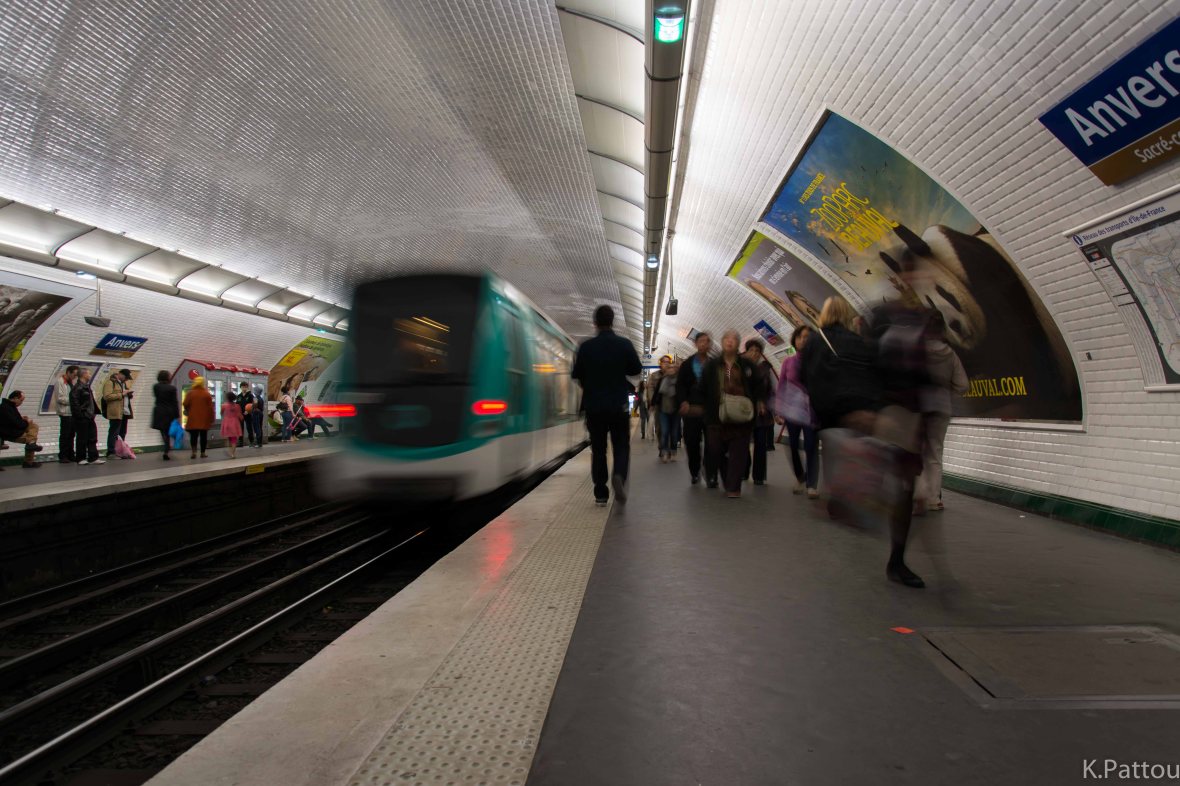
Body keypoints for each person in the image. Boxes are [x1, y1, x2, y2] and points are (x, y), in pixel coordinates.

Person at [571, 304, 642, 506]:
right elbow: (636, 369)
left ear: (595, 322)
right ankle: (618, 474)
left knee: (599, 450)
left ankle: (601, 493)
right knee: (621, 446)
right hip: (618, 405)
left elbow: (576, 374)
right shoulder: (624, 344)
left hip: (594, 407)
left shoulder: (586, 347)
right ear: (612, 321)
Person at [702, 330, 767, 498]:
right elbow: (703, 387)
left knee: (739, 450)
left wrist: (760, 401)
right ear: (722, 342)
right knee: (715, 449)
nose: (730, 341)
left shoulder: (747, 365)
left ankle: (733, 486)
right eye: (726, 338)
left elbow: (759, 385)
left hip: (741, 414)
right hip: (717, 414)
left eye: (734, 339)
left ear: (738, 344)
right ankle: (727, 477)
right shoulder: (712, 365)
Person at [917, 311, 967, 513]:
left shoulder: (916, 351)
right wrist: (946, 393)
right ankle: (934, 498)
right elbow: (963, 385)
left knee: (917, 451)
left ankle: (919, 496)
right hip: (942, 407)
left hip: (919, 406)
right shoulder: (950, 354)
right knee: (935, 453)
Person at [776, 326, 820, 497]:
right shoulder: (788, 362)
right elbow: (781, 386)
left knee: (811, 446)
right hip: (792, 411)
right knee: (793, 445)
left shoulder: (817, 362)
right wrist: (779, 410)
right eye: (800, 337)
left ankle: (812, 484)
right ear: (794, 340)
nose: (803, 340)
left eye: (807, 337)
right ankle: (800, 476)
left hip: (811, 412)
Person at [675, 333, 715, 486]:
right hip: (691, 409)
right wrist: (683, 401)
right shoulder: (687, 364)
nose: (703, 344)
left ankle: (710, 472)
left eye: (706, 341)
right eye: (701, 341)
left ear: (710, 345)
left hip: (710, 410)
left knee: (712, 443)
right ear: (696, 344)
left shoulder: (714, 364)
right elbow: (680, 385)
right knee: (692, 442)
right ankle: (694, 471)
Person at [742, 338, 776, 485]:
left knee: (761, 444)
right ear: (746, 352)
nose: (754, 353)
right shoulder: (741, 368)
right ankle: (744, 471)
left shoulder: (766, 369)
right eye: (751, 350)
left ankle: (759, 476)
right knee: (743, 443)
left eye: (757, 351)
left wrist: (774, 411)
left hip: (762, 413)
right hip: (744, 412)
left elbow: (772, 391)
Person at [0, 390, 43, 468]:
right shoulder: (6, 408)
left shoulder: (9, 406)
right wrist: (26, 422)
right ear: (15, 398)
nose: (21, 403)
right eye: (21, 400)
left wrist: (22, 419)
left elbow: (15, 421)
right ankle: (29, 460)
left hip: (12, 430)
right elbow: (18, 424)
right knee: (32, 438)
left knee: (34, 427)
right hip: (10, 433)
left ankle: (31, 445)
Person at [71, 368, 103, 465]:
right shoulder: (77, 388)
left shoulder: (87, 387)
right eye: (88, 373)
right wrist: (80, 415)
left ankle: (93, 457)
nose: (90, 375)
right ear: (83, 375)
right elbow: (74, 403)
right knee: (82, 438)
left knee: (92, 437)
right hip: (83, 416)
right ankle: (81, 458)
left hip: (90, 416)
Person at [183, 376, 215, 459]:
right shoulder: (206, 394)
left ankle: (194, 452)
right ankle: (202, 453)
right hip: (204, 419)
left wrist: (189, 410)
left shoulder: (190, 393)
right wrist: (212, 418)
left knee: (193, 436)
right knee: (203, 436)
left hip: (193, 418)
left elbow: (185, 404)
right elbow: (210, 408)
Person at [151, 370, 180, 460]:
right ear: (167, 377)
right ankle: (167, 449)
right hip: (169, 412)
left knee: (163, 431)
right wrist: (177, 415)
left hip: (159, 411)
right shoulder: (172, 388)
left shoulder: (156, 387)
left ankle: (166, 446)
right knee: (168, 431)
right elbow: (175, 402)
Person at [100, 369, 127, 458]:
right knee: (113, 432)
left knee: (116, 432)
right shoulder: (110, 383)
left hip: (119, 411)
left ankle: (116, 451)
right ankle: (111, 451)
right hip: (113, 411)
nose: (126, 379)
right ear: (119, 375)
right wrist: (121, 395)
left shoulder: (119, 384)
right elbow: (107, 396)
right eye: (125, 377)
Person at [55, 365, 78, 463]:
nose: (75, 377)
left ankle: (70, 454)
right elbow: (60, 398)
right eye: (74, 374)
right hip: (65, 412)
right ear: (68, 372)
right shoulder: (60, 382)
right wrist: (74, 400)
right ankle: (63, 455)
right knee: (65, 434)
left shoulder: (71, 383)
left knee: (71, 435)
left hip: (72, 412)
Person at [221, 391, 243, 458]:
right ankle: (233, 454)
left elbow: (221, 413)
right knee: (234, 439)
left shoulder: (224, 405)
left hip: (227, 423)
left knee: (228, 437)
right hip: (234, 423)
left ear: (227, 398)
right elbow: (240, 416)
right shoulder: (237, 406)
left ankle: (229, 451)